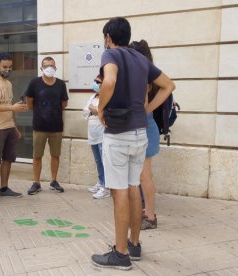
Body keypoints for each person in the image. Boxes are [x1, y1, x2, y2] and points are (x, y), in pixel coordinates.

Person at [91, 17, 175, 270]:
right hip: (140, 132)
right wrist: (146, 108)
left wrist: (101, 108)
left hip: (118, 134)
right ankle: (135, 244)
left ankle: (120, 254)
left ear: (108, 37)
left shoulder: (111, 55)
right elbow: (168, 85)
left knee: (119, 193)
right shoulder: (141, 59)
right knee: (133, 187)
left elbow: (109, 81)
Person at [0, 51, 27, 209]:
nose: (8, 69)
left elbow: (10, 108)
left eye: (10, 67)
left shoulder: (8, 84)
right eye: (5, 67)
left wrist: (15, 127)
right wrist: (12, 107)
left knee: (8, 159)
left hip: (9, 127)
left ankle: (4, 188)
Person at [129, 40, 161, 230]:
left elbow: (142, 104)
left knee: (145, 176)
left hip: (145, 128)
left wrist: (147, 109)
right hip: (147, 126)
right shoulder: (149, 72)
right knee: (144, 175)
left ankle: (150, 216)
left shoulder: (144, 76)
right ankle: (147, 211)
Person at [25, 57, 69, 195]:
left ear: (55, 68)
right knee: (37, 156)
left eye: (52, 66)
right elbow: (29, 103)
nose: (49, 68)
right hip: (39, 127)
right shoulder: (34, 83)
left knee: (55, 155)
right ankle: (36, 182)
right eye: (46, 65)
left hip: (56, 127)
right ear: (41, 68)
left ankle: (54, 181)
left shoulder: (61, 84)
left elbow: (64, 103)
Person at [83, 74, 109, 199]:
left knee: (104, 161)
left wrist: (95, 110)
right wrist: (95, 110)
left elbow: (102, 112)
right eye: (95, 81)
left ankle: (106, 187)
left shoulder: (107, 97)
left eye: (98, 82)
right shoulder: (92, 96)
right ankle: (100, 182)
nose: (96, 84)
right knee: (98, 161)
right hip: (92, 132)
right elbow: (85, 110)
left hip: (102, 133)